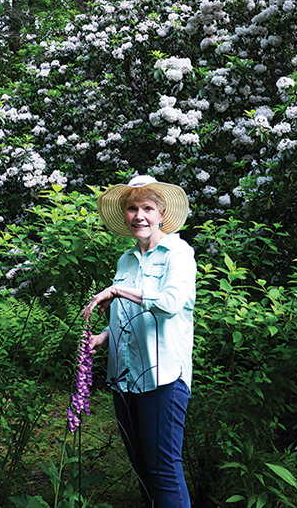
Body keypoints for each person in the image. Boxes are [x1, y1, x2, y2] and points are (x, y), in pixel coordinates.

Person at [82, 174, 196, 508]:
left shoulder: (178, 254)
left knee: (164, 469)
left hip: (163, 378)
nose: (139, 216)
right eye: (132, 208)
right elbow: (127, 318)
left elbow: (169, 304)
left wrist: (117, 290)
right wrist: (104, 337)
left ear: (161, 212)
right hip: (125, 377)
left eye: (147, 207)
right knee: (141, 467)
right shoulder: (127, 260)